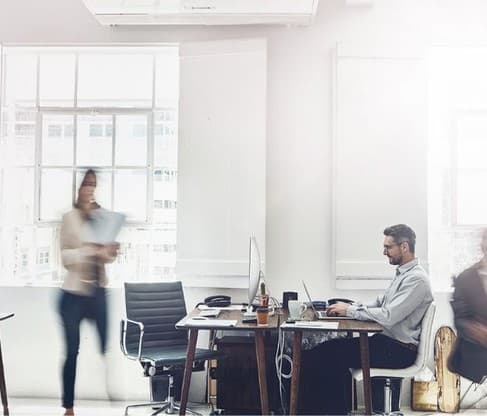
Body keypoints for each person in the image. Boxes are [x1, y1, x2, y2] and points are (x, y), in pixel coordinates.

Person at [299, 224, 433, 415]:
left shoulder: (417, 280)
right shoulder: (404, 273)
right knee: (330, 350)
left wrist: (351, 310)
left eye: (388, 247)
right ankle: (336, 411)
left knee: (327, 354)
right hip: (388, 344)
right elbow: (381, 302)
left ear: (404, 246)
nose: (384, 252)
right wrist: (350, 307)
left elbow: (388, 315)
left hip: (398, 350)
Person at [58, 169, 119, 416]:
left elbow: (104, 258)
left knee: (104, 346)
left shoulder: (101, 217)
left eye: (93, 184)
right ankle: (69, 407)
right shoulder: (69, 218)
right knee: (72, 351)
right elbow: (65, 258)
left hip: (97, 292)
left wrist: (110, 252)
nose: (89, 189)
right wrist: (87, 250)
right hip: (72, 295)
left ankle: (109, 387)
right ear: (79, 188)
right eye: (86, 184)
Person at [448, 229, 487, 384]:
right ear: (482, 244)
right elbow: (460, 319)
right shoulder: (466, 278)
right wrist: (475, 330)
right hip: (477, 347)